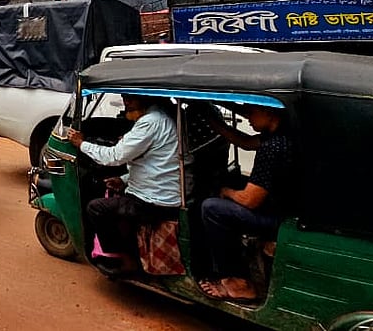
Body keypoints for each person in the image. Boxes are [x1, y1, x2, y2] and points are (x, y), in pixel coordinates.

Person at [67, 94, 182, 274]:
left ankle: (125, 261)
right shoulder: (159, 117)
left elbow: (113, 157)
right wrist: (124, 180)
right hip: (159, 191)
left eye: (130, 98)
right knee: (113, 197)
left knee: (96, 208)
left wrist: (81, 144)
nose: (125, 102)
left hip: (154, 201)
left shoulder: (151, 122)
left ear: (144, 98)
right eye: (124, 97)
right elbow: (154, 164)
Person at [197, 104, 294, 302]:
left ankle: (237, 283)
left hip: (281, 219)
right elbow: (247, 143)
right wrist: (215, 122)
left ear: (269, 112)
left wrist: (227, 192)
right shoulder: (283, 133)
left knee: (212, 208)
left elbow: (249, 200)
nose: (247, 117)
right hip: (286, 209)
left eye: (251, 111)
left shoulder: (273, 147)